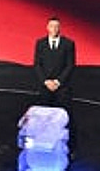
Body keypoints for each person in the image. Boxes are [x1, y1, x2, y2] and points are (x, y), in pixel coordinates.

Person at [32, 15, 77, 153]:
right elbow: (37, 65)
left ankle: (68, 146)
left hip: (62, 87)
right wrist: (46, 81)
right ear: (47, 27)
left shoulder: (68, 44)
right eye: (52, 26)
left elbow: (70, 65)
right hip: (45, 86)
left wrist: (58, 82)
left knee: (64, 116)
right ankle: (44, 143)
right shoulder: (40, 43)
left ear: (60, 28)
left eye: (57, 26)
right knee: (44, 115)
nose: (54, 29)